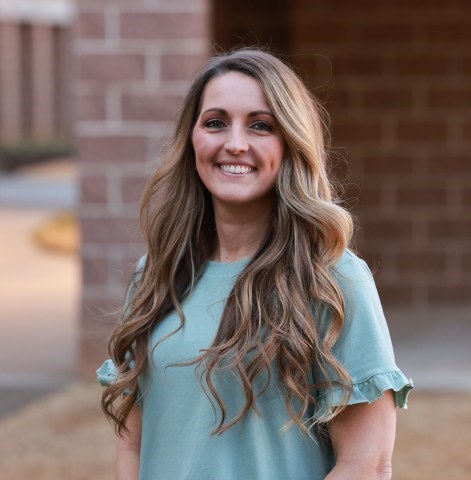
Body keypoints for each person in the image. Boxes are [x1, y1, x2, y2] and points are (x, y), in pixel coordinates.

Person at [97, 48, 413, 480]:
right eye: (215, 122)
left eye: (261, 125)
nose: (235, 143)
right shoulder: (156, 274)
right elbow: (133, 444)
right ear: (191, 140)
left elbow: (367, 465)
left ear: (290, 143)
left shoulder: (332, 279)